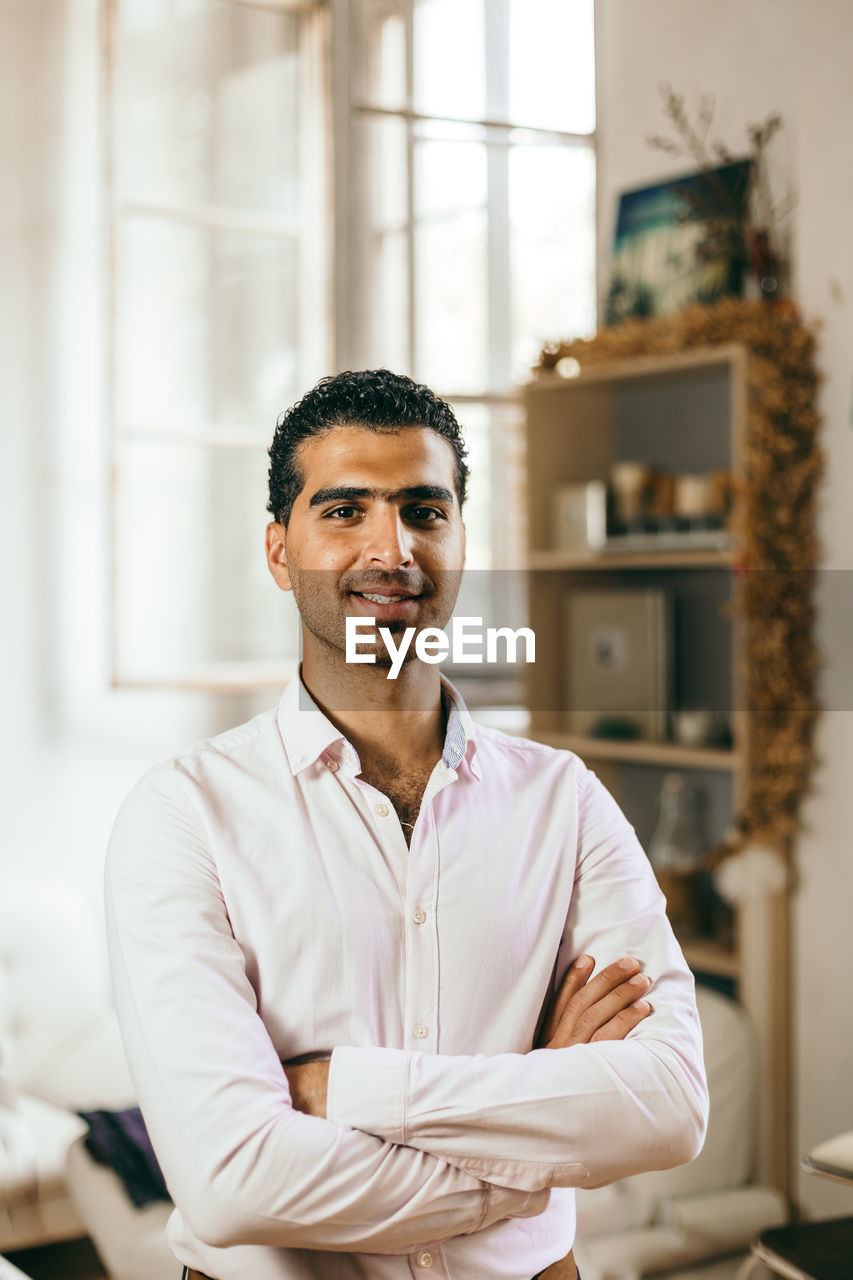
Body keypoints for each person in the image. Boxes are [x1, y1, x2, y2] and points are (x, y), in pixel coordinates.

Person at [105, 369, 709, 1280]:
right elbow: (233, 1179)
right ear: (279, 552)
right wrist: (533, 1146)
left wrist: (346, 1089)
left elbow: (667, 1104)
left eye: (425, 511)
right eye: (344, 511)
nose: (392, 550)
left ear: (463, 539)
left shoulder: (564, 797)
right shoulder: (184, 812)